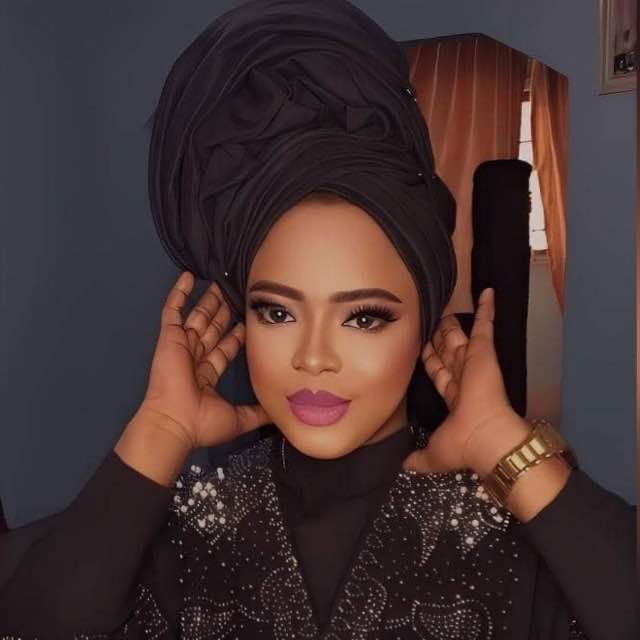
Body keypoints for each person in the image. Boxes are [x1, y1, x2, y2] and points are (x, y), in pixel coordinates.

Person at [0, 1, 637, 638]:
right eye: (277, 311)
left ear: (424, 323)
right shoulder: (181, 527)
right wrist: (160, 428)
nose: (312, 357)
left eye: (363, 318)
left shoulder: (518, 531)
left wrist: (502, 442)